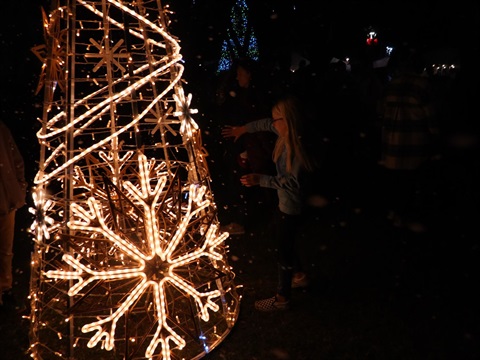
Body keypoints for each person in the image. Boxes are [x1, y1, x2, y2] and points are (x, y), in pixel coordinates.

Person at [222, 94, 317, 311]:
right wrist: (243, 129)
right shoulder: (283, 132)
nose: (272, 124)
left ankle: (282, 298)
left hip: (292, 207)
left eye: (277, 120)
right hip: (286, 205)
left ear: (289, 121)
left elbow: (292, 182)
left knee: (283, 248)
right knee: (281, 238)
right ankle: (300, 276)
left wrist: (260, 180)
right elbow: (264, 123)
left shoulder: (297, 149)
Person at [377, 43, 440, 231]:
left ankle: (395, 221)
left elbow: (381, 115)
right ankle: (409, 225)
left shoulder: (391, 86)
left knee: (396, 190)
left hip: (391, 150)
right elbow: (433, 123)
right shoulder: (423, 86)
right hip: (415, 151)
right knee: (412, 189)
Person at [213, 58, 276, 235]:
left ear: (250, 75)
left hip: (251, 148)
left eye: (241, 73)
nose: (238, 77)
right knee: (244, 183)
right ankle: (249, 220)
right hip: (243, 146)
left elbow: (259, 124)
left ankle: (245, 222)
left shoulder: (256, 97)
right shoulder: (242, 94)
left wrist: (246, 148)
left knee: (247, 183)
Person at [0, 120, 27, 307]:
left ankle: (5, 288)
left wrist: (19, 187)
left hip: (5, 199)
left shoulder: (2, 129)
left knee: (5, 249)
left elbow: (16, 160)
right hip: (6, 197)